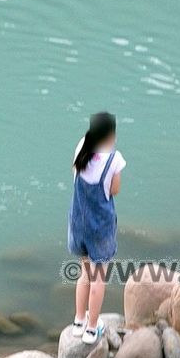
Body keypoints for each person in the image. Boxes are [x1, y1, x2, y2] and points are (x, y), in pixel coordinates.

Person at [68, 111, 125, 344]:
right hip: (99, 229)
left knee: (84, 274)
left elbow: (76, 174)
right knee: (98, 279)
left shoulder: (82, 146)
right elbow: (114, 190)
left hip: (78, 225)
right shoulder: (114, 160)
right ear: (111, 135)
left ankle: (79, 321)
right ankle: (92, 329)